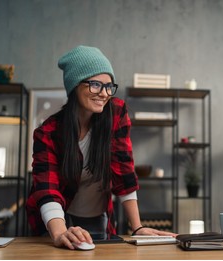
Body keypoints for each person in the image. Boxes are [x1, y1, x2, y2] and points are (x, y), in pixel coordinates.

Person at [26, 45, 175, 250]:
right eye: (95, 85)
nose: (104, 93)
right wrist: (60, 232)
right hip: (56, 218)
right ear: (74, 86)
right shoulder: (48, 132)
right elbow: (47, 188)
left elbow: (123, 171)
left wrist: (137, 227)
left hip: (98, 215)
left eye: (109, 86)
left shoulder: (116, 113)